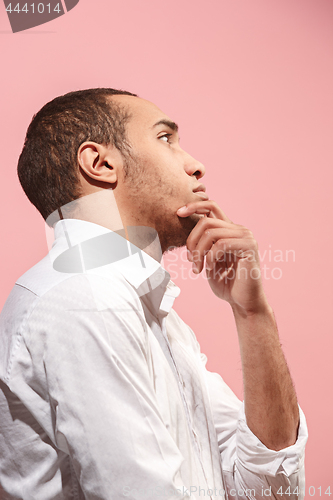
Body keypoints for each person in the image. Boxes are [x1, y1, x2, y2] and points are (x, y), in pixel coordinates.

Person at [0, 88, 307, 500]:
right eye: (166, 138)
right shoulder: (84, 300)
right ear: (101, 163)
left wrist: (253, 315)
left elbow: (271, 491)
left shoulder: (148, 311)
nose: (196, 166)